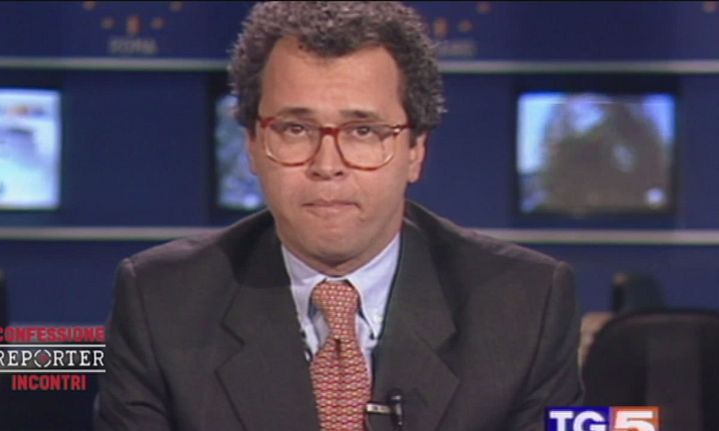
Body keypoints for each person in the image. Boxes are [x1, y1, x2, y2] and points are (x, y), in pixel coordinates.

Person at [94, 2, 582, 430]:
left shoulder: (525, 306)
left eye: (363, 131)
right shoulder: (161, 303)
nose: (327, 165)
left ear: (415, 150)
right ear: (253, 145)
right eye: (295, 128)